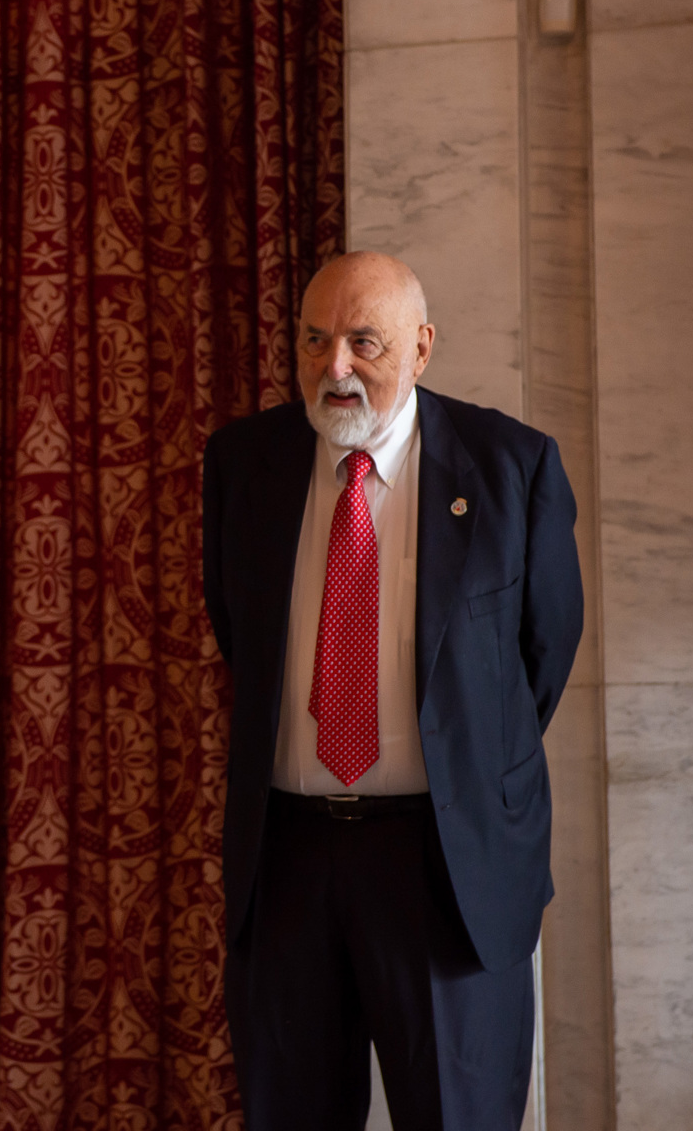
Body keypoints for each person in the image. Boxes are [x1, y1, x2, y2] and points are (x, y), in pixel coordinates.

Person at [201, 251, 583, 1129]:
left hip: (446, 869)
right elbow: (240, 632)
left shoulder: (509, 469)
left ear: (421, 347)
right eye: (313, 339)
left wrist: (458, 760)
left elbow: (542, 657)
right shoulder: (243, 465)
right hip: (289, 861)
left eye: (362, 341)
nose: (334, 365)